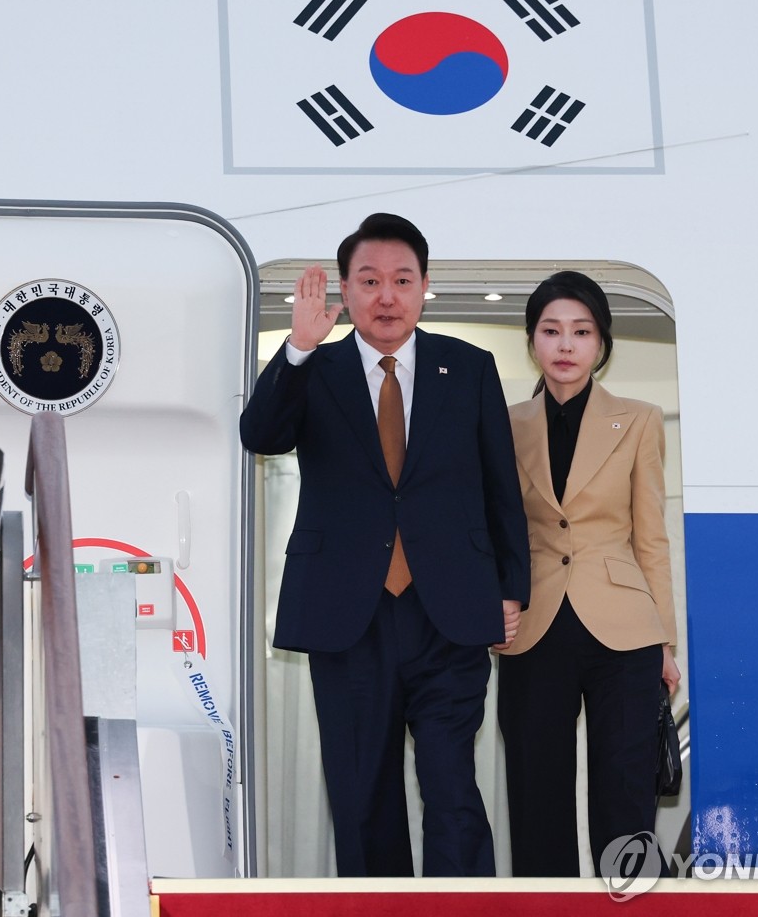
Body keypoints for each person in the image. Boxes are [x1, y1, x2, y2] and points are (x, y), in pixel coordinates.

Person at [240, 212, 530, 878]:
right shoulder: (316, 366)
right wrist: (297, 350)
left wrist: (512, 588)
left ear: (425, 285)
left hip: (450, 613)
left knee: (453, 790)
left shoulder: (471, 367)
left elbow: (500, 488)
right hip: (348, 615)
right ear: (345, 288)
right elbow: (261, 434)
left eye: (402, 279)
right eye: (369, 281)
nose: (387, 296)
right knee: (362, 795)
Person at [496, 270, 681, 877]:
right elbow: (497, 529)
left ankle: (625, 904)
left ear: (601, 343)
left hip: (624, 629)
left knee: (625, 788)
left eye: (581, 331)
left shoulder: (641, 418)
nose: (566, 344)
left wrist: (665, 642)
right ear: (533, 342)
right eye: (551, 331)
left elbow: (651, 534)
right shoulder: (504, 423)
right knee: (534, 787)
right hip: (532, 624)